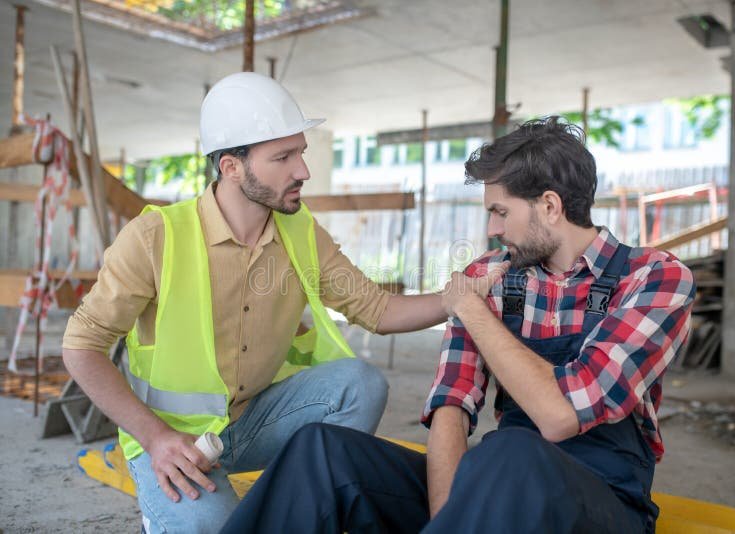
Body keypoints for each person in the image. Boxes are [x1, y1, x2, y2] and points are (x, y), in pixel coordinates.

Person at [220, 117, 696, 533]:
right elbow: (452, 405)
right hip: (491, 495)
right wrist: (448, 518)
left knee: (512, 450)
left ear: (550, 206)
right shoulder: (488, 276)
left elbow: (559, 416)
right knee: (321, 451)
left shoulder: (654, 278)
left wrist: (472, 309)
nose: (492, 229)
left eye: (501, 212)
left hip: (600, 504)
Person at [61, 72, 449, 533]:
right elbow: (80, 347)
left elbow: (378, 310)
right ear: (231, 167)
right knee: (211, 527)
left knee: (359, 384)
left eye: (300, 152)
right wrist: (156, 437)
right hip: (173, 437)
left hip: (255, 421)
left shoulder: (301, 232)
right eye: (283, 157)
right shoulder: (154, 238)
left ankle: (299, 501)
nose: (302, 171)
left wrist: (459, 298)